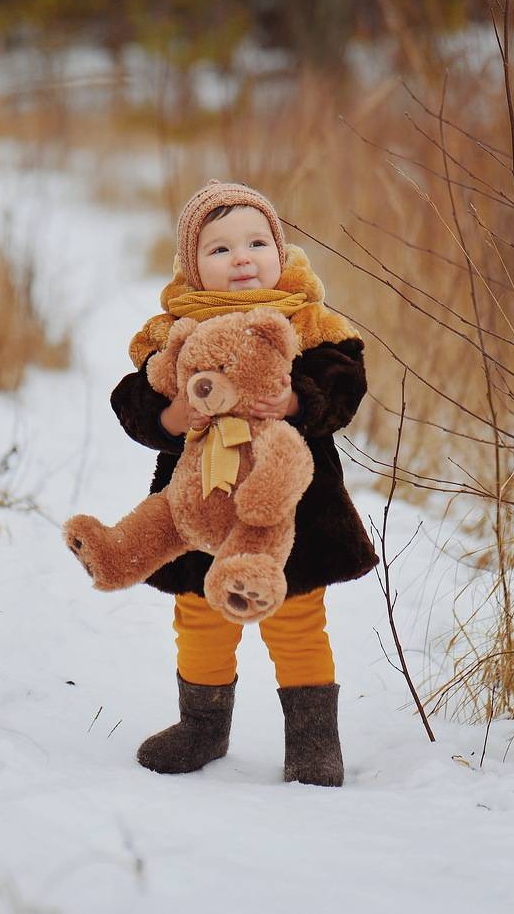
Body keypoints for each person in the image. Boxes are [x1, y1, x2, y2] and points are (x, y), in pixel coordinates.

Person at [110, 179, 378, 787]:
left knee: (297, 616)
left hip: (294, 512)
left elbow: (343, 384)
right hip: (198, 505)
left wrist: (291, 401)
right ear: (192, 266)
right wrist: (175, 418)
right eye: (220, 249)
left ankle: (313, 739)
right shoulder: (172, 330)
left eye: (257, 242)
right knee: (201, 614)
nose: (241, 259)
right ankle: (203, 724)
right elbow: (132, 399)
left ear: (281, 254)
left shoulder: (309, 322)